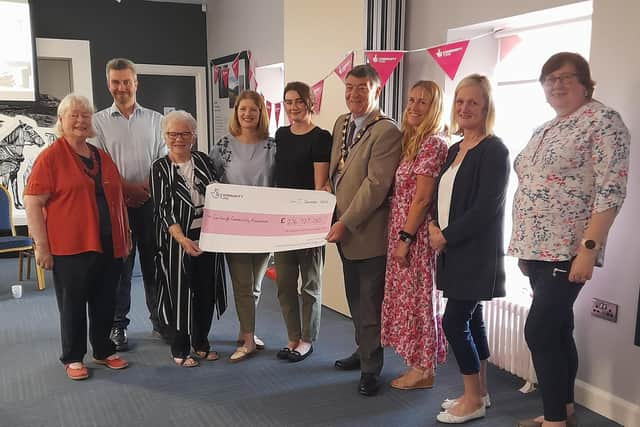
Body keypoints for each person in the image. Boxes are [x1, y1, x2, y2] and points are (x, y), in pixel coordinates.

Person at [509, 53, 630, 427]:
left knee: (540, 329)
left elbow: (611, 190)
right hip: (536, 249)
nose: (557, 85)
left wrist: (588, 251)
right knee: (559, 327)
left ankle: (553, 422)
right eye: (550, 79)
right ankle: (563, 408)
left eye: (567, 77)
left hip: (569, 249)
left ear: (586, 82)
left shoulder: (603, 121)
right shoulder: (546, 127)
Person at [24, 93, 130, 380]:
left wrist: (124, 236)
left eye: (85, 115)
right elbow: (33, 202)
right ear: (62, 120)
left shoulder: (99, 156)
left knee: (105, 300)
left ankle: (103, 350)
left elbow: (117, 196)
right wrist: (41, 247)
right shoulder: (51, 158)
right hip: (70, 246)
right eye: (74, 115)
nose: (81, 121)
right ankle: (72, 357)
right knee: (73, 304)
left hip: (108, 243)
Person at [428, 74, 509, 424]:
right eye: (460, 101)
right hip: (452, 250)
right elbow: (443, 197)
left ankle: (473, 400)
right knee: (473, 321)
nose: (465, 108)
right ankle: (481, 392)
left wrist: (445, 236)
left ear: (486, 106)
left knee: (454, 322)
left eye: (473, 102)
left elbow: (485, 208)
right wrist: (433, 225)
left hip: (475, 253)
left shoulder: (494, 149)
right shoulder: (453, 148)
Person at [326, 64, 402, 396]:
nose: (354, 94)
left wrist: (345, 222)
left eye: (362, 88)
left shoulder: (387, 131)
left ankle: (372, 369)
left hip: (367, 233)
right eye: (349, 87)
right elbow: (336, 173)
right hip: (343, 230)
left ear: (377, 90)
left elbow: (376, 185)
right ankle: (362, 351)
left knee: (370, 305)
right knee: (354, 301)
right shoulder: (342, 123)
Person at [91, 58, 167, 351]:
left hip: (151, 204)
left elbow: (163, 158)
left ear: (136, 83)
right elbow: (100, 163)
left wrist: (144, 189)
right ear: (108, 84)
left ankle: (160, 321)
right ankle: (117, 326)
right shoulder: (97, 122)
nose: (121, 88)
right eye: (115, 82)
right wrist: (127, 190)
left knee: (154, 266)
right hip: (115, 206)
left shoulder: (156, 120)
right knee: (120, 269)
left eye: (126, 81)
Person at [381, 80, 448, 390]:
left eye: (423, 101)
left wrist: (405, 239)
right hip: (402, 230)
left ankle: (423, 369)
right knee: (407, 303)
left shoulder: (433, 143)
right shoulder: (411, 141)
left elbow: (422, 199)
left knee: (419, 303)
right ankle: (416, 364)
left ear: (434, 108)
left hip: (416, 236)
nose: (414, 106)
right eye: (411, 99)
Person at [150, 110, 227, 367]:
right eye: (173, 134)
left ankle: (201, 342)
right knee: (180, 294)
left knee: (206, 291)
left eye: (184, 133)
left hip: (209, 235)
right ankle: (180, 349)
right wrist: (182, 239)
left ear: (193, 136)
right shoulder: (160, 168)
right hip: (176, 239)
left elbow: (219, 194)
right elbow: (163, 208)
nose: (178, 139)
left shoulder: (204, 161)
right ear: (165, 136)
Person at [209, 90, 276, 362]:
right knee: (241, 282)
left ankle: (245, 330)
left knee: (256, 284)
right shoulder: (222, 146)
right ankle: (248, 338)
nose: (247, 114)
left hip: (265, 225)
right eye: (242, 109)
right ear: (236, 113)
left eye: (253, 109)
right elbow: (211, 184)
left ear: (261, 113)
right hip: (234, 226)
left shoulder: (273, 147)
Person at [273, 82, 331, 363]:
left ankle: (307, 339)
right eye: (288, 102)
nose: (293, 107)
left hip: (308, 223)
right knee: (284, 283)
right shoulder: (280, 135)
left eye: (298, 101)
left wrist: (312, 221)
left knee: (309, 284)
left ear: (309, 103)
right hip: (282, 221)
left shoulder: (321, 137)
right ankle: (292, 337)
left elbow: (320, 185)